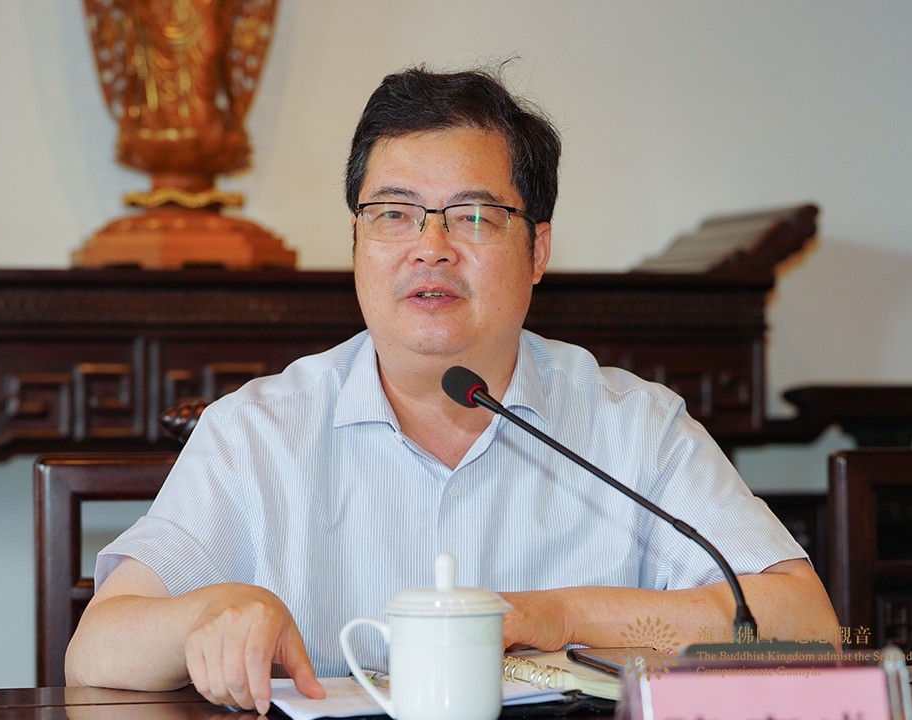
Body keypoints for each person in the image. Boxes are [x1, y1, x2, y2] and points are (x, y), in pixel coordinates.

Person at [65, 65, 839, 712]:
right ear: (357, 241)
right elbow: (95, 649)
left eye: (472, 215)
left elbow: (806, 629)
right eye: (394, 214)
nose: (430, 248)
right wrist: (210, 612)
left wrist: (558, 615)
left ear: (537, 250)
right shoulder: (257, 432)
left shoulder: (634, 426)